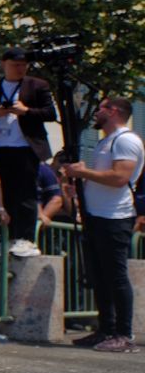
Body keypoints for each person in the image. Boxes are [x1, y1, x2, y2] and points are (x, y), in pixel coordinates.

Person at [61, 97, 143, 352]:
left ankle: (123, 334)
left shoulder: (126, 140)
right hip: (96, 215)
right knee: (99, 276)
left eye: (101, 108)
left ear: (114, 111)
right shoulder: (104, 142)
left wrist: (82, 173)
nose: (96, 113)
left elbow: (120, 177)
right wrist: (80, 187)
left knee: (116, 276)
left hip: (115, 217)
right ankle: (105, 329)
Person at [0, 46, 55, 258]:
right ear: (4, 64)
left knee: (26, 192)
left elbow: (49, 113)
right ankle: (9, 237)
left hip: (26, 146)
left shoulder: (37, 85)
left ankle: (26, 238)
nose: (20, 69)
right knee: (7, 192)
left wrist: (26, 111)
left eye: (23, 65)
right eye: (15, 65)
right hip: (0, 145)